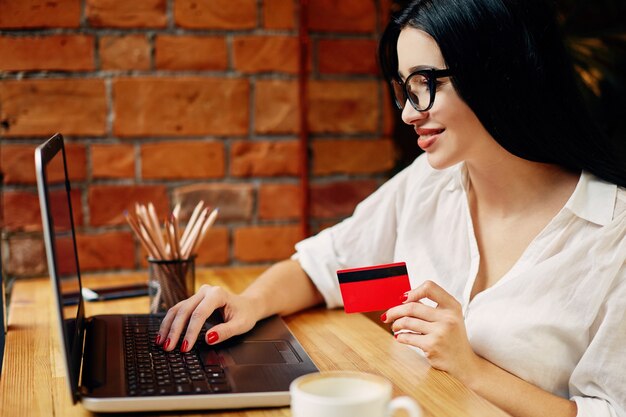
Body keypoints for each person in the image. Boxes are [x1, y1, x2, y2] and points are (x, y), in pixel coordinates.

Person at [156, 1, 626, 416]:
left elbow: (606, 410)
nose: (407, 113)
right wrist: (248, 303)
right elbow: (324, 267)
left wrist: (471, 370)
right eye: (404, 88)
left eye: (425, 84)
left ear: (499, 72)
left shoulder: (614, 232)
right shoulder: (430, 180)